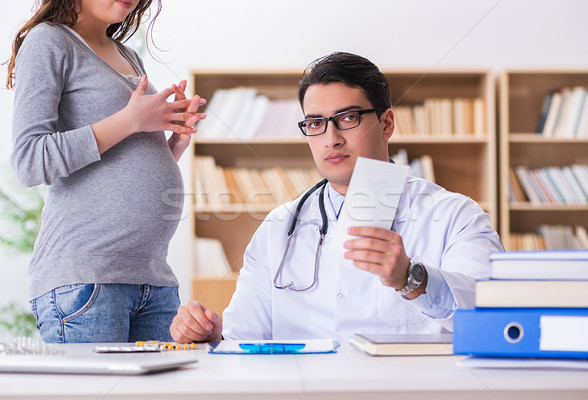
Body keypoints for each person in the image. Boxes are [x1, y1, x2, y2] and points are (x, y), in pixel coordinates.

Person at [170, 52, 503, 343]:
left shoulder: (455, 215)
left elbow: (494, 317)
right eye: (315, 123)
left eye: (348, 118)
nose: (331, 138)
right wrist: (210, 332)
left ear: (386, 123)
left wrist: (411, 278)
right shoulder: (278, 226)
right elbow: (243, 336)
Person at [8, 0, 204, 343]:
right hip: (87, 280)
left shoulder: (127, 55)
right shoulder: (49, 41)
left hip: (152, 280)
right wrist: (130, 120)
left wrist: (170, 144)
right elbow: (29, 160)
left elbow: (118, 170)